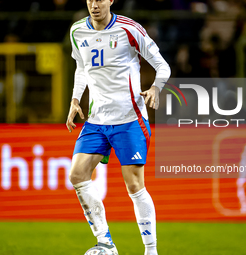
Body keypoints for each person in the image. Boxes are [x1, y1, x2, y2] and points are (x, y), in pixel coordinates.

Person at [66, 0, 171, 254]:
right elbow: (81, 68)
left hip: (129, 119)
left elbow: (162, 66)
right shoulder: (77, 31)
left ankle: (150, 250)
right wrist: (75, 99)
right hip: (96, 120)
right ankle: (106, 243)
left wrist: (156, 87)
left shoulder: (129, 29)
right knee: (77, 175)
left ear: (111, 0)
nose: (94, 4)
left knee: (135, 186)